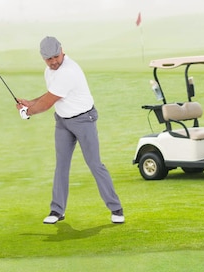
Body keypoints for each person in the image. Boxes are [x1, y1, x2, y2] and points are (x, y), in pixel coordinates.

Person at [15, 36, 124, 224]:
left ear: (62, 50)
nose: (54, 61)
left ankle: (116, 209)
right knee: (62, 166)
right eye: (49, 59)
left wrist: (28, 112)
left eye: (56, 56)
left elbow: (47, 104)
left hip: (84, 120)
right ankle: (57, 210)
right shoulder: (49, 71)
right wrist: (30, 102)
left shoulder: (68, 71)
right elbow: (51, 94)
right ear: (43, 58)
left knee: (94, 164)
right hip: (63, 121)